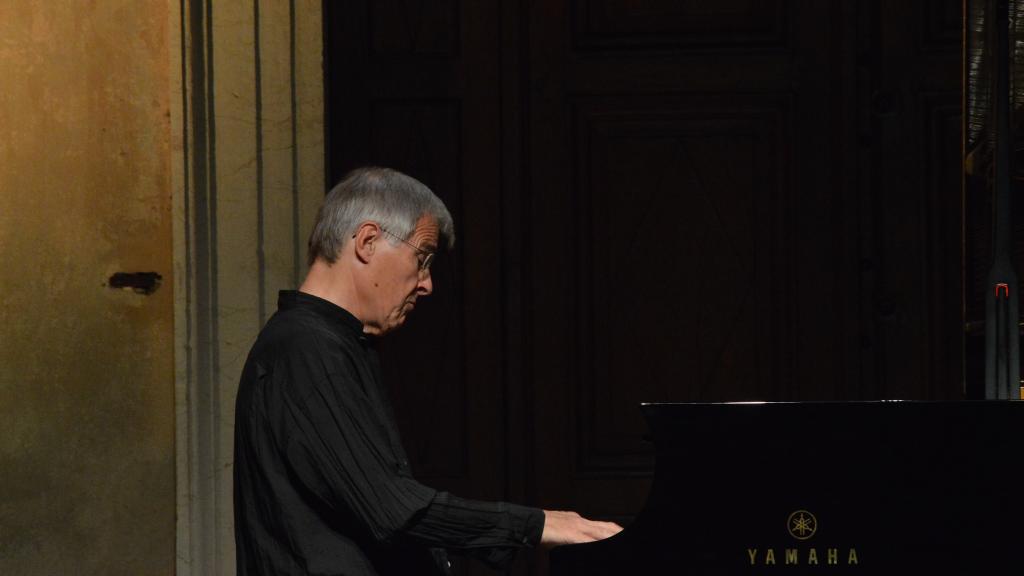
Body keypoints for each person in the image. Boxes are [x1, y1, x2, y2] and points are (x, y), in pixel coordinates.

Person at [233, 167, 621, 575]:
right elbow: (391, 509)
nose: (427, 284)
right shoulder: (305, 351)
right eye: (421, 259)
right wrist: (536, 525)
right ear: (367, 241)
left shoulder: (331, 345)